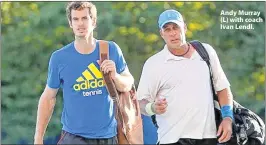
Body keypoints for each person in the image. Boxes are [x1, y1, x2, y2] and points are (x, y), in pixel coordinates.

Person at [34, 2, 134, 145]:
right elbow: (48, 98)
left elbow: (128, 84)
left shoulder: (110, 49)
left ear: (93, 21)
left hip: (108, 137)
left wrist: (115, 77)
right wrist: (38, 139)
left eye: (85, 18)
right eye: (75, 19)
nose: (80, 23)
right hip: (74, 137)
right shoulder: (59, 58)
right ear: (70, 23)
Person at [137, 9, 234, 145]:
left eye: (176, 27)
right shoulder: (153, 64)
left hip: (209, 136)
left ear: (185, 28)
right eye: (167, 29)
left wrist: (228, 118)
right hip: (171, 139)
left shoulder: (206, 52)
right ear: (161, 34)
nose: (173, 33)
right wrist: (152, 108)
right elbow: (140, 103)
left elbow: (222, 88)